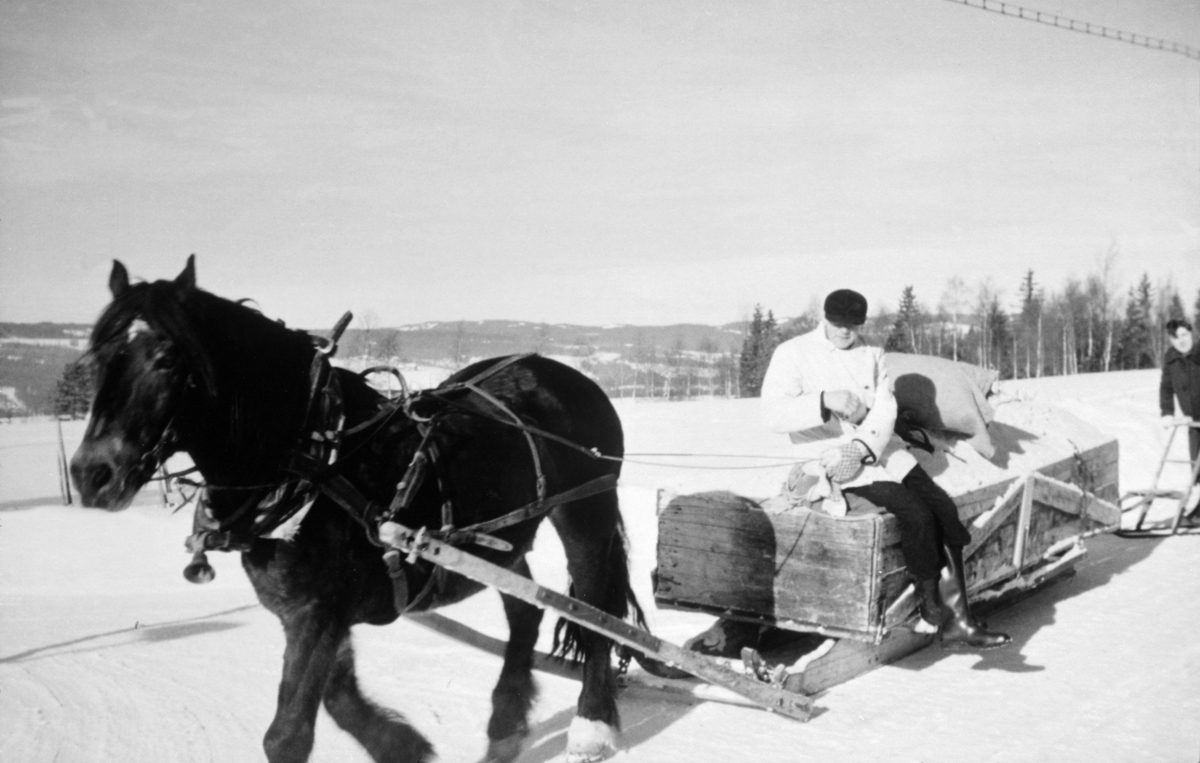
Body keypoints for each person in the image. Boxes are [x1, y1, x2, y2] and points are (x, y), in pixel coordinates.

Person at [758, 288, 1010, 649]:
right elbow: (772, 413)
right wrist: (824, 401)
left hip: (880, 451)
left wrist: (866, 442)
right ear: (825, 319)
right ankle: (930, 607)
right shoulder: (794, 353)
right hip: (829, 458)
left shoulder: (872, 353)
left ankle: (960, 619)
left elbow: (885, 407)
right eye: (839, 325)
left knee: (944, 509)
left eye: (854, 326)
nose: (846, 333)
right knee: (916, 515)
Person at [1160, 318, 1200, 518]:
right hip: (1194, 422)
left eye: (1184, 335)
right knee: (1196, 469)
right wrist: (1167, 412)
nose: (1181, 341)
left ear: (1191, 333)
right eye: (1176, 337)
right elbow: (1166, 388)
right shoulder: (1171, 358)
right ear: (1170, 340)